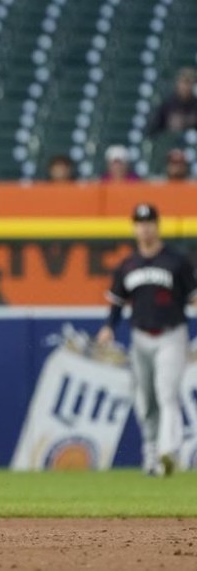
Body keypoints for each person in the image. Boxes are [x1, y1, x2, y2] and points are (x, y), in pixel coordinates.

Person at [95, 204, 197, 477]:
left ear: (157, 225)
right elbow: (117, 303)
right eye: (141, 222)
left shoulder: (177, 261)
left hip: (172, 335)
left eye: (150, 221)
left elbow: (193, 296)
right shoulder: (127, 265)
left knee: (167, 393)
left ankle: (168, 450)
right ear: (135, 227)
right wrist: (108, 327)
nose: (145, 227)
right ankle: (152, 453)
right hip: (141, 337)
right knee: (145, 400)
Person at [147, 67, 196, 136]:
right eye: (184, 82)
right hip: (171, 143)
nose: (186, 87)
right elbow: (153, 131)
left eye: (190, 83)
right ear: (178, 83)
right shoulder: (167, 105)